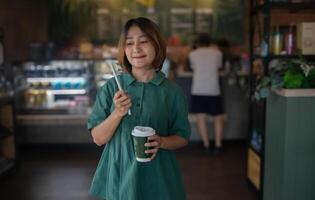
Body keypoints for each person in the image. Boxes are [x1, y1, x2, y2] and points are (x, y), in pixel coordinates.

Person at [87, 17, 191, 200]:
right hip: (120, 178)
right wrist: (117, 113)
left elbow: (182, 137)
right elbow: (98, 138)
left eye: (143, 41)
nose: (136, 49)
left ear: (157, 45)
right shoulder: (111, 88)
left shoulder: (172, 92)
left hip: (159, 178)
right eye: (129, 43)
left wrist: (162, 142)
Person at [189, 33, 225, 154]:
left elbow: (193, 68)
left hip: (198, 89)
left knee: (200, 117)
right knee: (218, 117)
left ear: (198, 42)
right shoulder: (217, 53)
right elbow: (219, 67)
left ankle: (206, 145)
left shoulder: (192, 54)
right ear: (210, 42)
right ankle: (219, 145)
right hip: (213, 89)